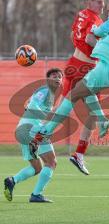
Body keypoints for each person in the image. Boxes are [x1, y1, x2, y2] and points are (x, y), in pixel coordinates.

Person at [31, 0, 109, 168]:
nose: (107, 12)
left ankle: (44, 134)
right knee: (86, 99)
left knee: (72, 98)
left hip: (99, 68)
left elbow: (91, 33)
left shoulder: (108, 19)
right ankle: (78, 145)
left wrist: (94, 32)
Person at [62, 0, 105, 175]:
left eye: (103, 1)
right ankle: (79, 154)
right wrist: (104, 50)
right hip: (85, 68)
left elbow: (73, 36)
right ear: (90, 3)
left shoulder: (81, 14)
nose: (102, 4)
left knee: (62, 109)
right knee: (94, 114)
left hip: (73, 63)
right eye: (98, 1)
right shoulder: (95, 19)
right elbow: (89, 38)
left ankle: (36, 137)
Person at [4, 68, 63, 203]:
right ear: (48, 79)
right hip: (34, 129)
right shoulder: (45, 90)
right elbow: (34, 104)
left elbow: (30, 103)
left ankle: (12, 180)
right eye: (54, 76)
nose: (57, 78)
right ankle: (36, 195)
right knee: (51, 162)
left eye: (60, 76)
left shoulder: (49, 94)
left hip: (22, 130)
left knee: (37, 167)